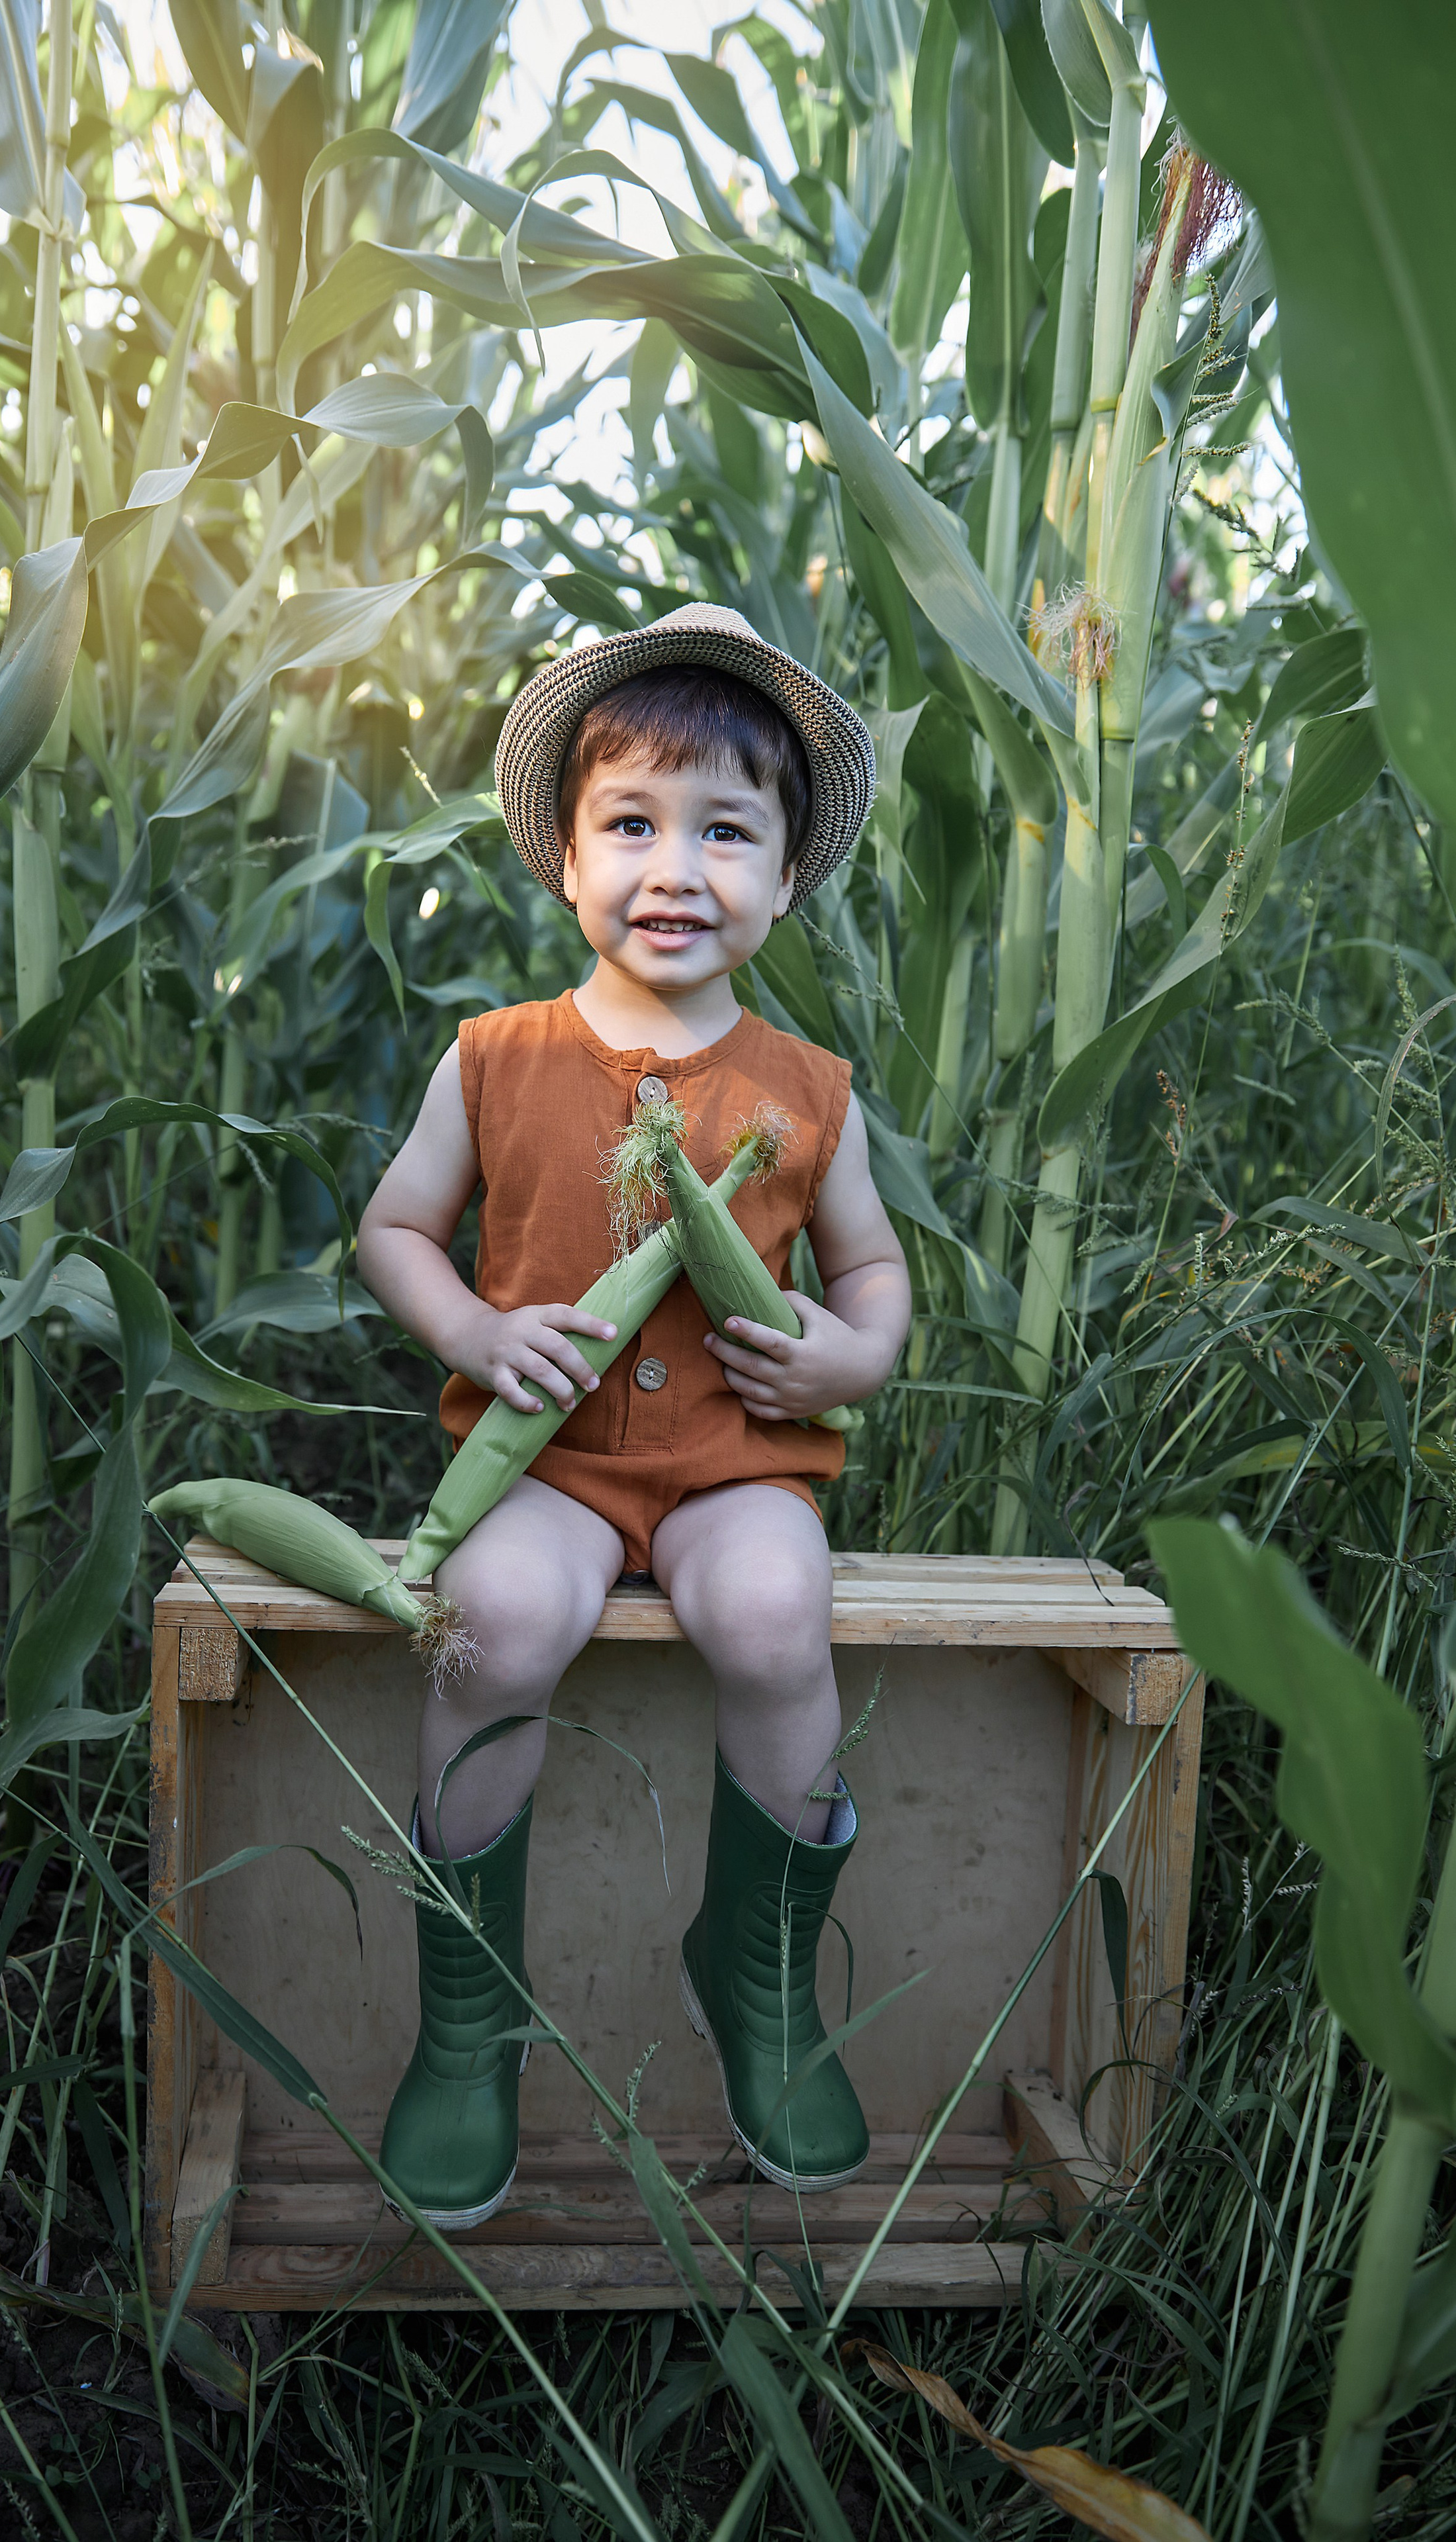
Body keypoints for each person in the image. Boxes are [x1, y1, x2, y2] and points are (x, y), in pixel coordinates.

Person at [356, 604, 913, 2230]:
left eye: (724, 831)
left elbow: (874, 1275)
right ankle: (467, 2032)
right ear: (565, 856)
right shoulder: (494, 1058)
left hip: (735, 1461)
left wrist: (843, 1360)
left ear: (785, 877)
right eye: (632, 824)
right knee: (493, 1617)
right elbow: (394, 1232)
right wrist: (473, 1321)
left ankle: (761, 1986)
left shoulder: (807, 1090)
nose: (675, 867)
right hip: (552, 1463)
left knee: (769, 1606)